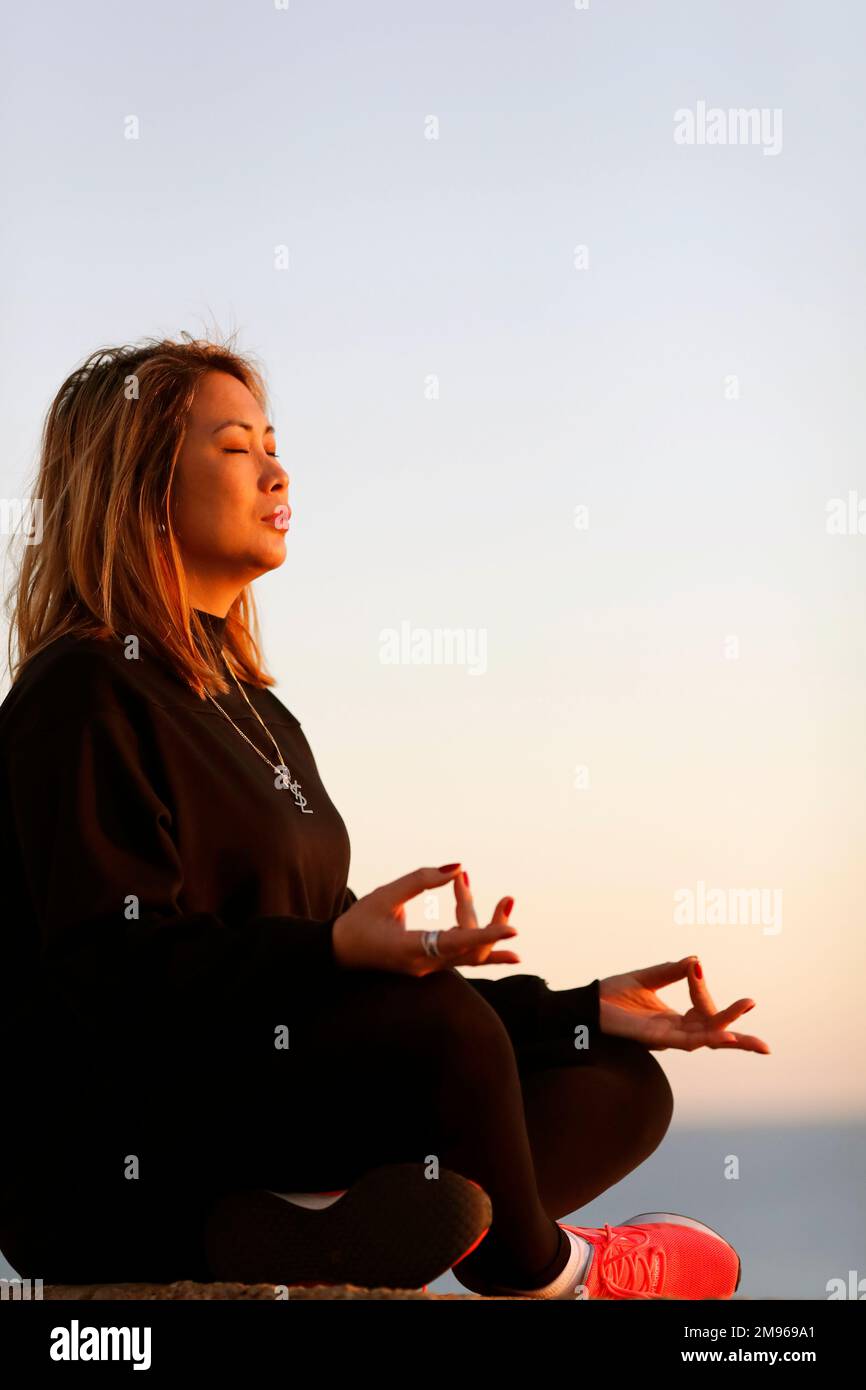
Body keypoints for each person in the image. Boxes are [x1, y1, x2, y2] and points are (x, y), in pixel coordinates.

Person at [0, 335, 770, 1299]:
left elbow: (358, 974)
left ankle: (313, 1221)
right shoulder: (81, 689)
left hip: (266, 1120)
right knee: (441, 1036)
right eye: (236, 447)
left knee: (615, 1082)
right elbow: (106, 975)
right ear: (141, 483)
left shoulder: (254, 711)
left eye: (273, 442)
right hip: (128, 1154)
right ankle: (547, 1271)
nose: (277, 469)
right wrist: (328, 956)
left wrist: (576, 1009)